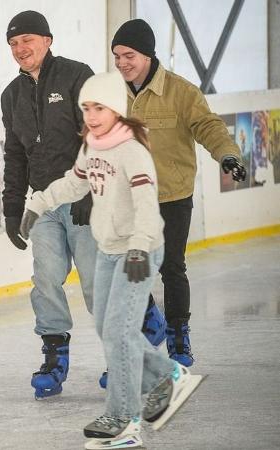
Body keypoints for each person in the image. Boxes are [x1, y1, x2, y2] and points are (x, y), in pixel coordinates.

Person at [21, 71, 204, 450]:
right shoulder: (93, 145)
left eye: (99, 107)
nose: (90, 114)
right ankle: (170, 376)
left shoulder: (132, 150)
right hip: (108, 250)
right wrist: (38, 203)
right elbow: (75, 183)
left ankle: (124, 419)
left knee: (120, 333)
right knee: (108, 329)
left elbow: (146, 204)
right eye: (86, 107)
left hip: (137, 250)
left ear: (116, 109)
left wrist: (138, 245)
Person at [112, 19, 247, 366]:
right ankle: (144, 329)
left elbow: (209, 127)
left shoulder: (181, 92)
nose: (122, 63)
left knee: (171, 268)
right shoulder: (110, 94)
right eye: (116, 57)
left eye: (129, 55)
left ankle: (177, 336)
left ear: (147, 54)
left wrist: (228, 156)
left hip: (172, 196)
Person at [0, 10, 105, 398]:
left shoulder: (77, 75)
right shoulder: (11, 95)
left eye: (26, 40)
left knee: (96, 282)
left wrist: (93, 189)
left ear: (47, 40)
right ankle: (54, 355)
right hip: (44, 202)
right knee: (45, 279)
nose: (19, 49)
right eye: (12, 43)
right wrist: (13, 209)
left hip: (83, 198)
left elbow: (100, 133)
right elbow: (14, 154)